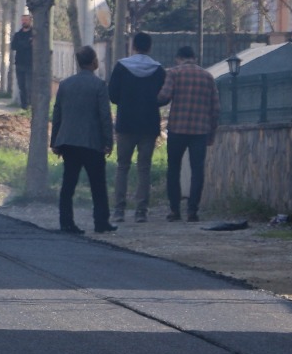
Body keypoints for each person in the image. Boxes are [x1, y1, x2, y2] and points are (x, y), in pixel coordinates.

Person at [50, 45, 116, 234]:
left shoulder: (65, 84)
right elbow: (105, 116)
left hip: (68, 141)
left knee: (68, 184)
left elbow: (57, 114)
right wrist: (108, 141)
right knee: (98, 184)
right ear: (94, 62)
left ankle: (66, 222)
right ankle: (101, 222)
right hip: (92, 143)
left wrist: (54, 141)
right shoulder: (99, 85)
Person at [107, 31, 166, 223]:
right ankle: (141, 210)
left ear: (133, 46)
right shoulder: (158, 69)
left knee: (122, 166)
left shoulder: (122, 66)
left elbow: (113, 95)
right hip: (149, 124)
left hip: (126, 123)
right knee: (144, 168)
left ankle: (119, 210)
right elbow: (163, 96)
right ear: (149, 47)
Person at [158, 44, 221, 222]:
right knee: (197, 170)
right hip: (200, 131)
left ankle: (174, 210)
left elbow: (164, 96)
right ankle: (192, 210)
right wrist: (212, 133)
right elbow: (216, 108)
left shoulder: (174, 73)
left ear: (179, 58)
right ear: (194, 58)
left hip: (177, 128)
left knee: (173, 169)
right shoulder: (208, 76)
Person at [11, 15, 34, 108]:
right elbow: (13, 46)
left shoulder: (33, 34)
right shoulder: (18, 35)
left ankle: (30, 105)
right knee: (22, 86)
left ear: (30, 21)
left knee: (29, 87)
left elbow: (33, 46)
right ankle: (24, 106)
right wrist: (28, 44)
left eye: (26, 20)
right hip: (19, 64)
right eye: (23, 20)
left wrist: (22, 45)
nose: (24, 22)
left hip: (30, 64)